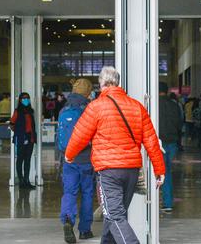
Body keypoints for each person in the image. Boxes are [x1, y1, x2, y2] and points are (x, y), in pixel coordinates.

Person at [65, 66, 165, 244]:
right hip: (131, 171)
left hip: (108, 171)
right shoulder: (137, 107)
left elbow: (79, 135)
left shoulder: (96, 107)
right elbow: (151, 140)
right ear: (117, 83)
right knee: (113, 215)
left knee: (115, 215)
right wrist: (160, 169)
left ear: (101, 84)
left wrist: (69, 155)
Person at [58, 78, 94, 243]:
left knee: (69, 192)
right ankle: (85, 230)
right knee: (87, 193)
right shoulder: (89, 109)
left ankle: (67, 219)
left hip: (68, 159)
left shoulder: (63, 109)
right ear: (88, 93)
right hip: (86, 158)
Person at [158, 82, 183, 213]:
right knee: (166, 171)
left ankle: (154, 202)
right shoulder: (174, 105)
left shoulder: (153, 105)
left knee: (157, 172)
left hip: (158, 143)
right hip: (172, 142)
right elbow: (180, 123)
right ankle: (167, 202)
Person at [10, 92, 37, 189]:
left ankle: (27, 180)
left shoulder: (30, 111)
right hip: (21, 138)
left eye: (27, 98)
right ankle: (21, 181)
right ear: (20, 100)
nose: (26, 100)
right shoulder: (17, 111)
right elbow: (11, 123)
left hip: (30, 138)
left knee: (28, 160)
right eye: (24, 98)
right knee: (20, 159)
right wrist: (19, 132)